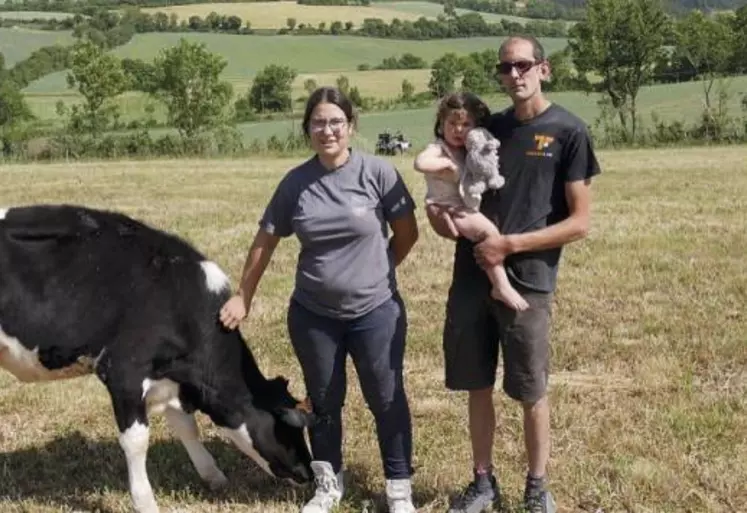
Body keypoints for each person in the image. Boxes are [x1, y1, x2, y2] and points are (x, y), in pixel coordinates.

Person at [219, 86, 419, 513]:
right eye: (318, 123)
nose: (327, 130)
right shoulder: (296, 183)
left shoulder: (378, 173)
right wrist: (243, 296)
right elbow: (264, 241)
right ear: (307, 128)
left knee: (386, 397)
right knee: (324, 402)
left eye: (335, 122)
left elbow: (406, 233)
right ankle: (328, 484)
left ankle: (399, 489)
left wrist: (378, 272)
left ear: (350, 126)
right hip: (314, 315)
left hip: (376, 312)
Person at [427, 35, 601, 513]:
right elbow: (454, 192)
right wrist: (440, 220)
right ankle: (483, 481)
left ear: (543, 69)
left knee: (530, 388)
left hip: (528, 281)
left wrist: (510, 245)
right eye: (505, 68)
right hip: (470, 277)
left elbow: (579, 223)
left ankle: (536, 486)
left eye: (523, 66)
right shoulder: (487, 129)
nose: (514, 75)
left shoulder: (569, 131)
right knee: (476, 382)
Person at [414, 92, 528, 311]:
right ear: (441, 124)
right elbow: (420, 163)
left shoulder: (469, 151)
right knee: (490, 234)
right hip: (448, 207)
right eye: (452, 123)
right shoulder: (439, 148)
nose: (458, 129)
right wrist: (445, 165)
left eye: (466, 124)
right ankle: (501, 286)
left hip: (461, 207)